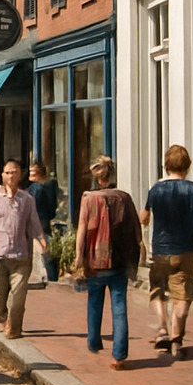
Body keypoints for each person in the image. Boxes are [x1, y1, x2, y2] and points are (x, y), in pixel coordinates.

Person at [141, 144, 193, 358]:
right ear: (187, 166)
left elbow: (143, 218)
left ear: (166, 165)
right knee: (182, 296)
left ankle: (162, 326)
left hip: (161, 250)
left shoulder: (156, 190)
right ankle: (176, 336)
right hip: (186, 251)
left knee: (157, 290)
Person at [75, 155, 142, 370]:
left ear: (96, 177)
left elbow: (82, 229)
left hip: (96, 259)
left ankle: (94, 341)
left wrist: (78, 256)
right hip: (120, 259)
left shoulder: (89, 198)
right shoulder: (124, 197)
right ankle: (119, 355)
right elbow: (136, 229)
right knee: (119, 306)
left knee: (95, 302)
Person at [0, 160, 48, 339]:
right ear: (2, 174)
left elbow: (33, 223)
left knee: (18, 294)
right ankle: (2, 317)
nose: (11, 176)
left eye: (15, 172)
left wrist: (42, 240)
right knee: (1, 292)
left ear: (20, 175)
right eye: (8, 172)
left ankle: (14, 328)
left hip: (21, 255)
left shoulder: (27, 199)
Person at [27, 162, 61, 231]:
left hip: (38, 221)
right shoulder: (50, 185)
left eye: (32, 171)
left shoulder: (37, 188)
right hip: (44, 221)